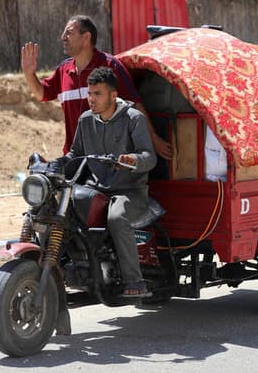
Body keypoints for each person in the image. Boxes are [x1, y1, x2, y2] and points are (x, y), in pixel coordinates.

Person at [57, 67, 157, 298]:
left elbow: (149, 157)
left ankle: (135, 280)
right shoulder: (85, 120)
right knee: (58, 210)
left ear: (113, 95)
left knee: (116, 217)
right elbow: (75, 154)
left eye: (98, 94)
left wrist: (132, 160)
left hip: (129, 192)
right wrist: (57, 163)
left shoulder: (133, 118)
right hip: (94, 189)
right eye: (90, 93)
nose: (91, 99)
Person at [21, 15, 172, 159]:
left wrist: (153, 139)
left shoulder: (110, 65)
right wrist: (29, 73)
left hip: (106, 161)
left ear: (86, 37)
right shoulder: (63, 70)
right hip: (74, 159)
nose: (63, 37)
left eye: (69, 33)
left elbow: (135, 105)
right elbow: (42, 94)